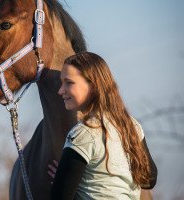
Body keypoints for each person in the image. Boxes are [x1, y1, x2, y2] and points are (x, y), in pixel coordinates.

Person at [48, 52, 157, 200]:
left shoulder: (83, 133)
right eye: (61, 83)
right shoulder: (131, 125)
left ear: (93, 85)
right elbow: (150, 180)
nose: (60, 90)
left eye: (69, 82)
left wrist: (66, 181)